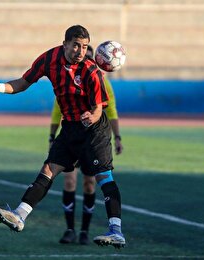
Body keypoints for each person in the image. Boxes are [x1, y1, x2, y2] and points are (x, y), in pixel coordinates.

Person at [0, 25, 125, 248]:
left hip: (94, 130)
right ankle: (20, 216)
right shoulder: (48, 59)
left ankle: (116, 230)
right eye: (76, 45)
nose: (80, 51)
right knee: (49, 169)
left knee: (102, 176)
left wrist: (92, 115)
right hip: (70, 128)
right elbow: (23, 83)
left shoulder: (91, 71)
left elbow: (99, 108)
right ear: (65, 44)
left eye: (85, 46)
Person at [49, 44, 124, 245]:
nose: (85, 60)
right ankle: (70, 229)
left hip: (94, 139)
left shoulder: (101, 82)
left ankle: (84, 231)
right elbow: (58, 110)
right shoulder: (67, 78)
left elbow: (112, 111)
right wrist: (52, 136)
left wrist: (117, 137)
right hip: (71, 137)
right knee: (69, 181)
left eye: (89, 57)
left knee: (90, 183)